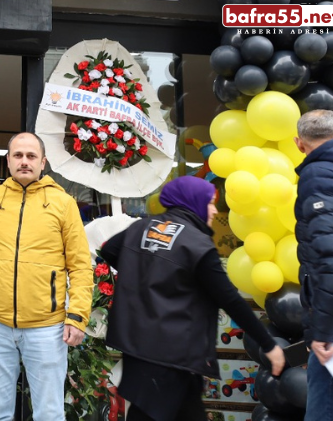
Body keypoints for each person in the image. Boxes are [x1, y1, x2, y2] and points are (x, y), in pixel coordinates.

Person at [101, 175, 285, 421]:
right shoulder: (196, 245)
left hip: (141, 347)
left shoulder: (141, 227)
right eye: (209, 202)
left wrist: (143, 278)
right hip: (172, 354)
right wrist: (269, 344)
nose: (213, 210)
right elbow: (230, 300)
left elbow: (110, 250)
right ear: (193, 201)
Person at [0, 132, 93, 421]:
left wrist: (77, 316)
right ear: (8, 161)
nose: (24, 161)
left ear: (43, 162)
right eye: (18, 155)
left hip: (47, 326)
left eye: (31, 156)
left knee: (49, 414)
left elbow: (80, 265)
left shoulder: (63, 203)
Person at [293, 109, 333, 420]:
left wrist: (321, 330)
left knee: (322, 407)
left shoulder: (317, 174)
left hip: (332, 324)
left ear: (299, 143)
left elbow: (329, 258)